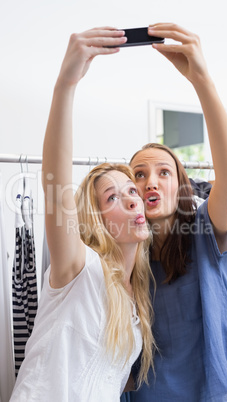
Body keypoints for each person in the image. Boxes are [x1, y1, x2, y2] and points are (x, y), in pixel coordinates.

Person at [10, 28, 156, 402]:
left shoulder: (135, 300)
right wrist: (66, 84)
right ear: (96, 219)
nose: (132, 200)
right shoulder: (79, 268)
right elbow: (55, 185)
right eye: (112, 196)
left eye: (132, 192)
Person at [121, 23, 227, 402]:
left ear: (181, 186)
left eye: (164, 173)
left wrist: (201, 80)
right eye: (139, 175)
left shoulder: (206, 233)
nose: (151, 182)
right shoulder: (126, 254)